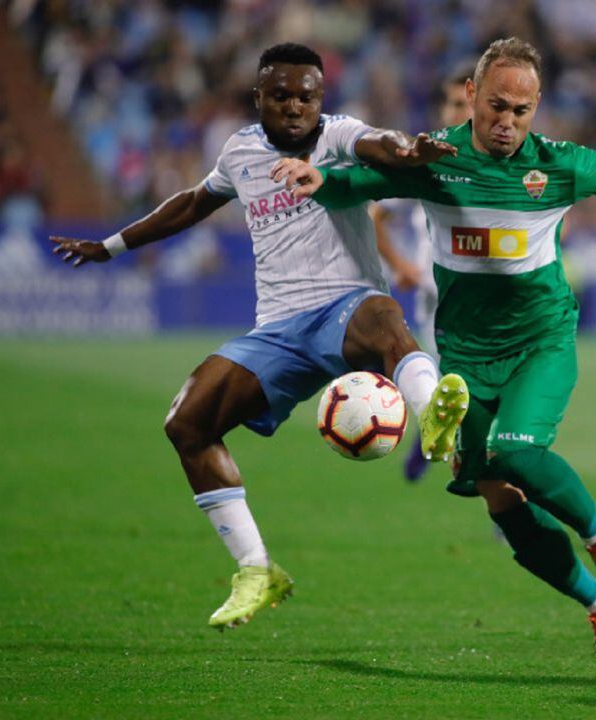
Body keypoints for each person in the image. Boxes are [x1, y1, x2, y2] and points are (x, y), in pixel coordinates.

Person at [272, 37, 596, 657]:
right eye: (496, 106)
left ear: (537, 106)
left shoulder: (561, 165)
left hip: (541, 339)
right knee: (501, 499)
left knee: (515, 452)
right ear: (472, 96)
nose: (507, 122)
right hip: (465, 354)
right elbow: (356, 185)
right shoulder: (434, 158)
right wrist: (316, 177)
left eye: (521, 110)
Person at [50, 43, 470, 630]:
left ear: (320, 100)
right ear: (259, 98)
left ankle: (437, 423)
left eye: (306, 96)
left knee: (383, 317)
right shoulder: (240, 150)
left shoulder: (338, 134)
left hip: (346, 306)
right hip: (277, 329)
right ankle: (256, 569)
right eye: (281, 96)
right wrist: (111, 246)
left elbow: (383, 145)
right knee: (187, 423)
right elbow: (193, 203)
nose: (295, 106)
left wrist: (409, 150)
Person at [371, 61, 474, 482]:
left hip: (493, 295)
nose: (459, 113)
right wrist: (400, 266)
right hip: (441, 295)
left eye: (467, 104)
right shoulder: (426, 158)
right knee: (454, 386)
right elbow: (377, 213)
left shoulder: (504, 160)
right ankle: (497, 492)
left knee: (472, 391)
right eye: (453, 103)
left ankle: (429, 446)